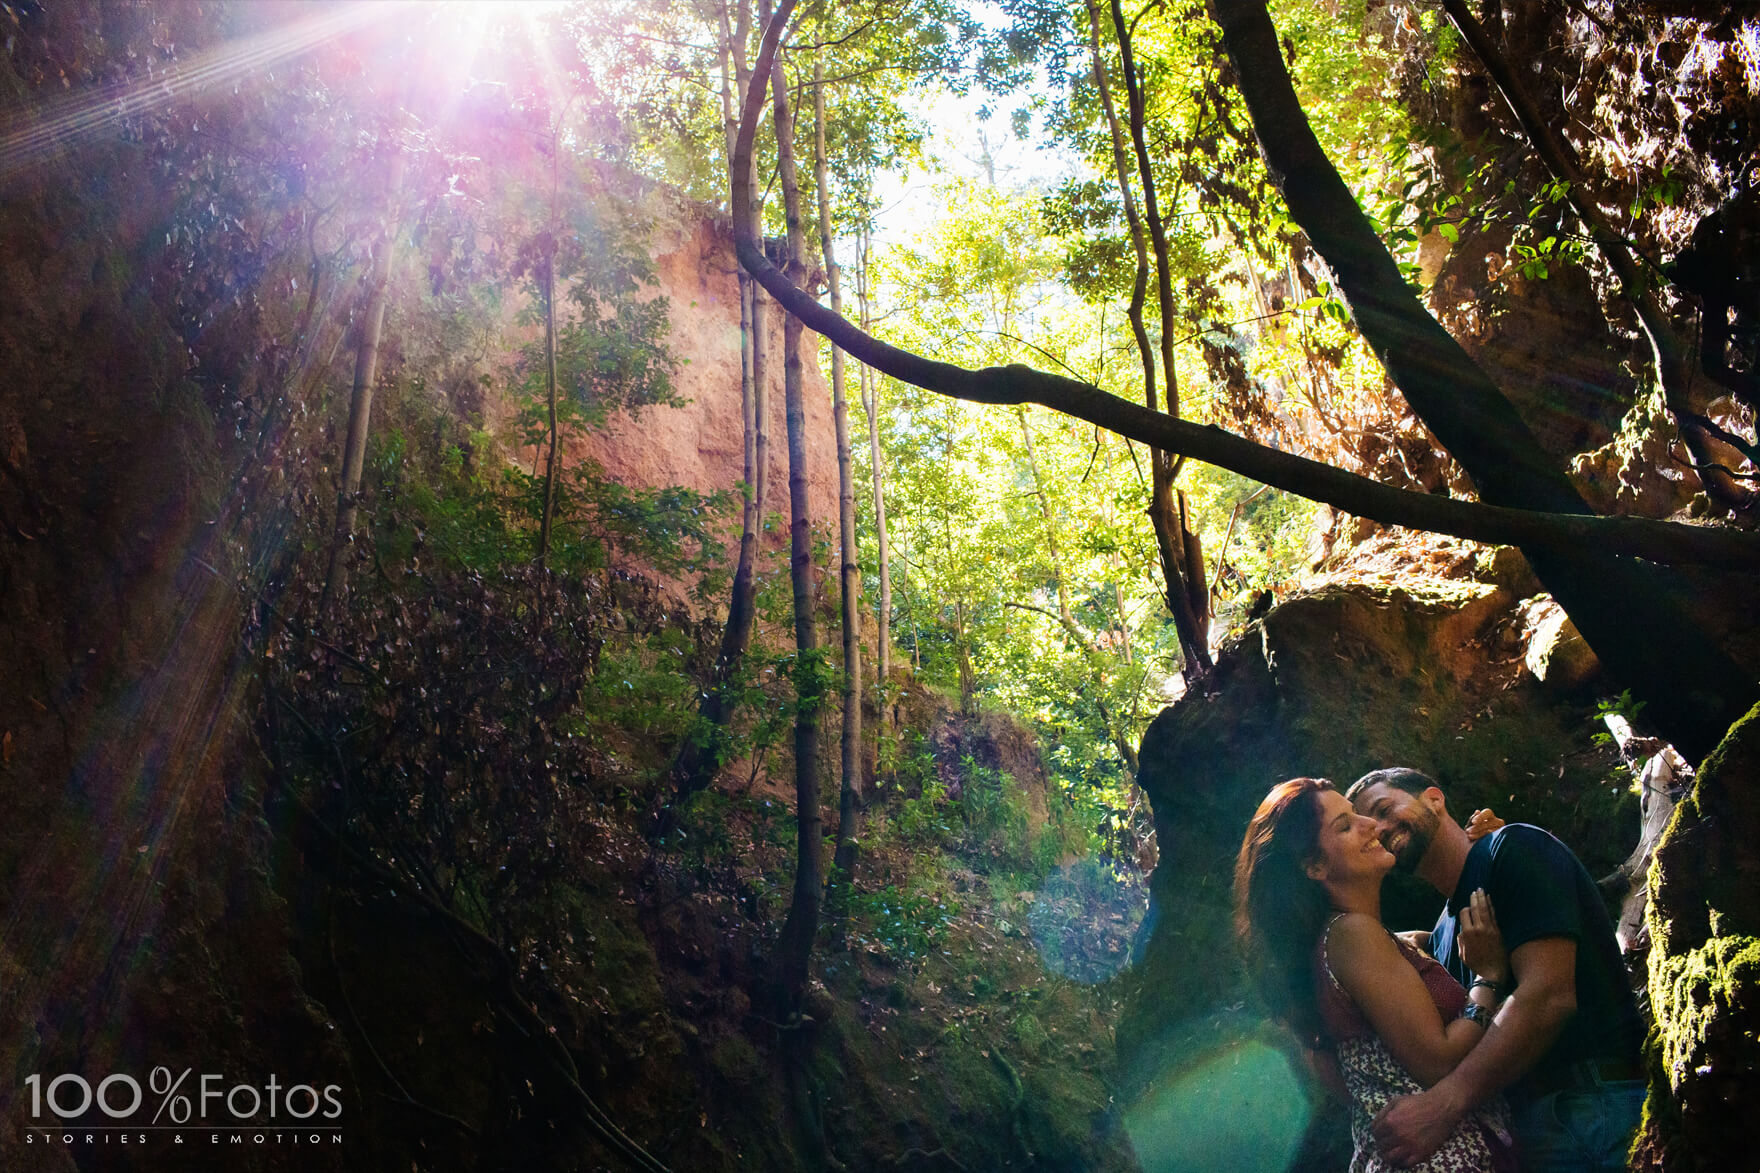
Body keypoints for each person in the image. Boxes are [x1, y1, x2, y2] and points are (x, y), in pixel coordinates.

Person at [1347, 767, 1646, 1172]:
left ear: (1434, 799)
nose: (1379, 828)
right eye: (1367, 825)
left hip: (1591, 1105)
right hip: (1526, 1131)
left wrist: (1443, 1104)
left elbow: (1548, 997)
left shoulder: (1512, 847)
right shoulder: (1442, 934)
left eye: (1384, 809)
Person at [1235, 778, 1518, 1172]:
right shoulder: (1352, 936)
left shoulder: (1349, 946)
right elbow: (1437, 1063)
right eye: (1345, 825)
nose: (1370, 825)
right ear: (1315, 866)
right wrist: (1488, 978)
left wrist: (1480, 852)